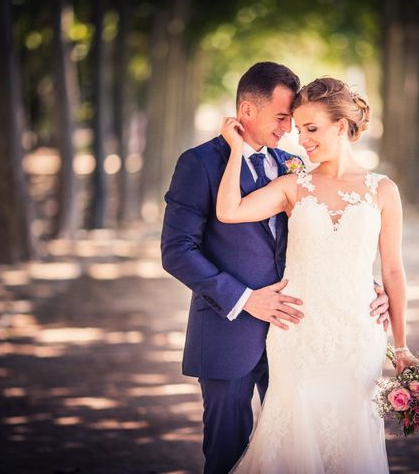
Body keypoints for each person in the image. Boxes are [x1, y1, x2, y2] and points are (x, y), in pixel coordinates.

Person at [161, 62, 391, 474]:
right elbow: (177, 250)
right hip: (229, 331)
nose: (291, 131)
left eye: (299, 122)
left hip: (300, 334)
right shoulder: (199, 163)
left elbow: (316, 236)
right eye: (283, 117)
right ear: (247, 111)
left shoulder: (293, 166)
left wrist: (364, 283)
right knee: (228, 454)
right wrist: (245, 299)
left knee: (300, 453)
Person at [216, 77, 418, 473]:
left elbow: (392, 269)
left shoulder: (382, 190)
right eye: (298, 130)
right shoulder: (293, 185)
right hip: (298, 334)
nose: (301, 141)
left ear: (340, 127)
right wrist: (235, 150)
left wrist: (403, 345)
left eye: (311, 129)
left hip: (358, 336)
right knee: (293, 436)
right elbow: (229, 211)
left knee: (350, 439)